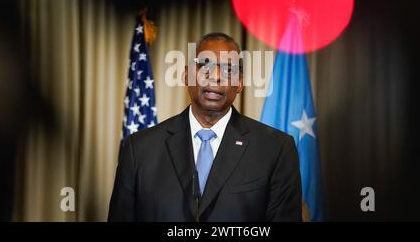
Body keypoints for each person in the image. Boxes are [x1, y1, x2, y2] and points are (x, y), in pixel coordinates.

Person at [108, 32, 302, 221]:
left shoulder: (276, 149)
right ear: (186, 76)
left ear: (240, 83)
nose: (216, 76)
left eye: (228, 70)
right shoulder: (139, 148)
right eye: (205, 66)